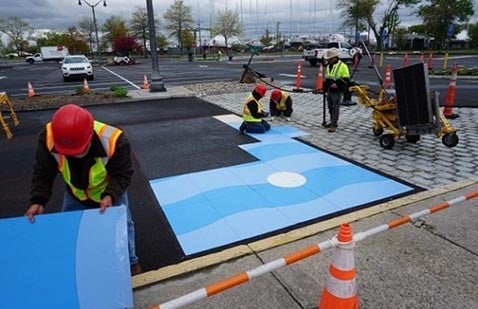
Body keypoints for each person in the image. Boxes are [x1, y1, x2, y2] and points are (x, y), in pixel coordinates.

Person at [25, 104, 142, 276]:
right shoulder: (50, 137)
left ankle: (131, 263)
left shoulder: (114, 140)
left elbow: (123, 174)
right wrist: (38, 200)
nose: (73, 155)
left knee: (122, 225)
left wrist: (110, 195)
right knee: (70, 227)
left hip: (109, 190)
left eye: (77, 150)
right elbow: (43, 171)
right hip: (76, 193)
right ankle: (76, 263)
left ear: (90, 136)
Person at [323, 47, 350, 132]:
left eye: (330, 59)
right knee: (330, 107)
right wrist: (325, 87)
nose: (329, 60)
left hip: (338, 90)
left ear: (335, 57)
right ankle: (332, 122)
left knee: (335, 108)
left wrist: (337, 84)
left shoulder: (343, 66)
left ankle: (333, 125)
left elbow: (346, 79)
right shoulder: (328, 66)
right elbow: (327, 77)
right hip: (330, 90)